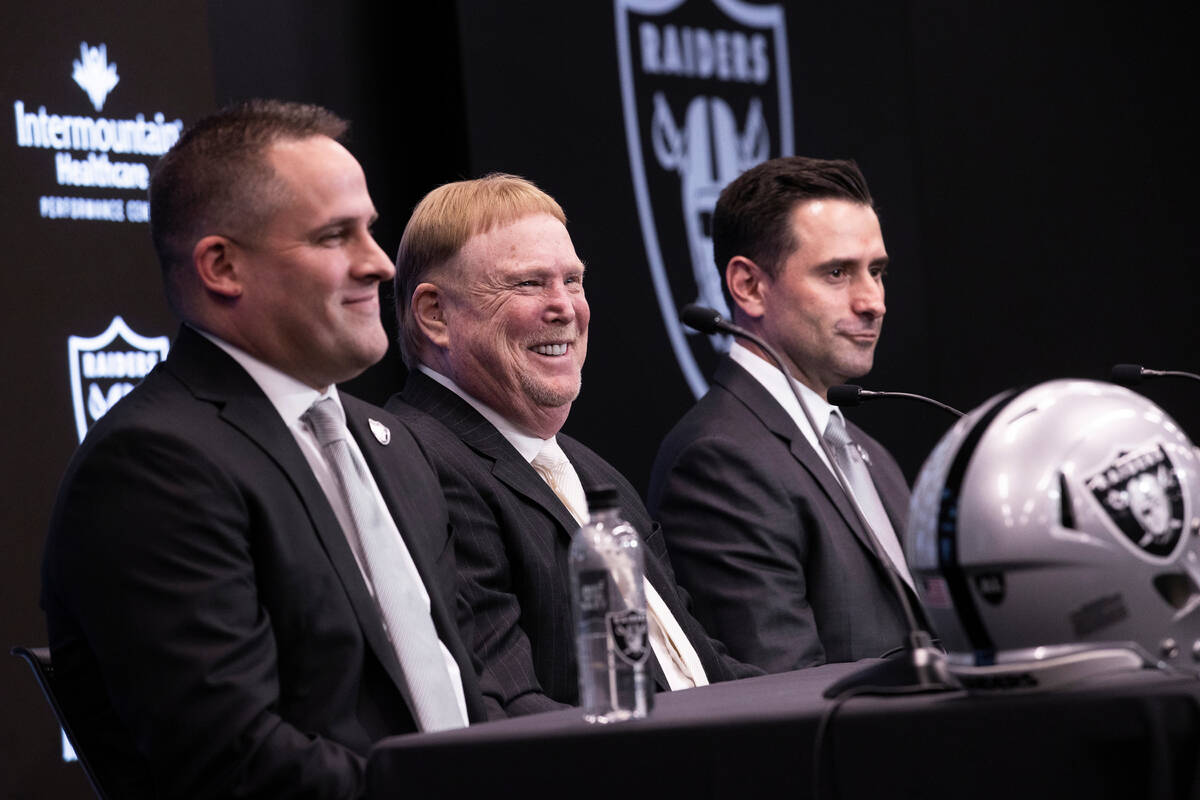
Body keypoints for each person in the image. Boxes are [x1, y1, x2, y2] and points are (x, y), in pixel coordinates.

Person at [41, 100, 486, 800]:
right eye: (335, 236)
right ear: (222, 266)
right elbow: (235, 761)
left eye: (369, 230)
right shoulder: (153, 467)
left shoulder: (392, 444)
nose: (378, 264)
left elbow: (463, 690)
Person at [387, 174, 759, 718]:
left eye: (574, 281)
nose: (565, 307)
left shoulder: (588, 472)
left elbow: (693, 666)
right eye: (529, 284)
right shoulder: (422, 463)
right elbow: (509, 709)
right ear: (435, 315)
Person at [647, 156, 917, 673]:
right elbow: (782, 696)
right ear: (748, 286)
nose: (873, 302)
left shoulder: (870, 453)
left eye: (877, 271)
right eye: (837, 273)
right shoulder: (718, 461)